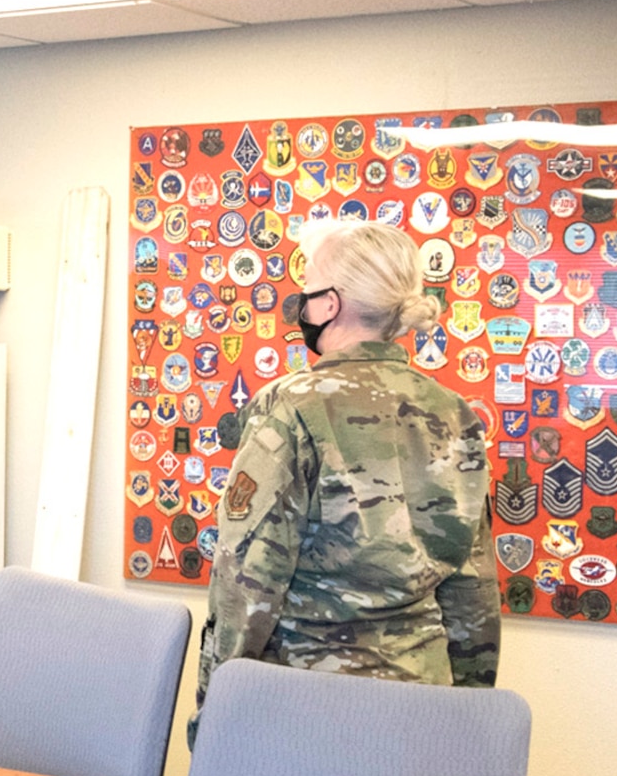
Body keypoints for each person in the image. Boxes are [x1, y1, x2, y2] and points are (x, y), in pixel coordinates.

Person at [190, 220, 499, 744]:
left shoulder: (291, 406)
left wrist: (214, 710)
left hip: (305, 710)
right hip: (421, 705)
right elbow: (473, 586)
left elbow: (247, 580)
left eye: (308, 288)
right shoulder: (455, 413)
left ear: (329, 304)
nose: (302, 304)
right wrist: (466, 714)